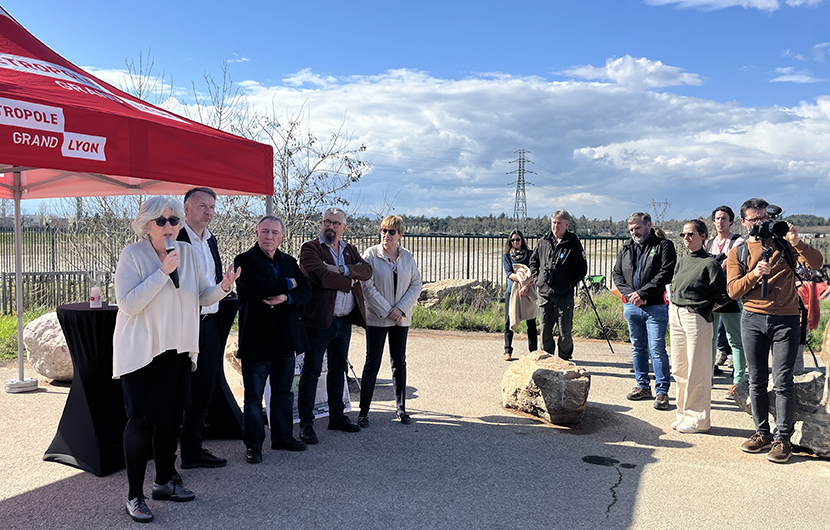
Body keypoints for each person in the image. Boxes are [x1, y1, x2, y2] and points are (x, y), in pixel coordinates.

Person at [113, 197, 238, 523]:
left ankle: (164, 482)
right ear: (147, 225)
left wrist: (223, 287)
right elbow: (128, 303)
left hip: (178, 350)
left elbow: (200, 296)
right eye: (162, 221)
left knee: (171, 421)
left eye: (174, 221)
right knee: (142, 423)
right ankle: (134, 496)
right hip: (142, 353)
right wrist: (161, 273)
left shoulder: (187, 255)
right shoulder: (133, 255)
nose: (170, 226)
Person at [727, 198, 823, 463]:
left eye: (764, 218)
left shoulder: (785, 245)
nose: (761, 223)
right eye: (755, 219)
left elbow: (817, 263)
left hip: (786, 320)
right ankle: (762, 433)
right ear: (744, 223)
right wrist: (756, 273)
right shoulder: (739, 252)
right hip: (752, 319)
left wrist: (796, 241)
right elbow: (733, 290)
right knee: (756, 379)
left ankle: (783, 439)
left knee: (783, 381)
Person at [234, 216, 311, 464]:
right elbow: (258, 286)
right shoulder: (244, 260)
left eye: (274, 232)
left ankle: (282, 437)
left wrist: (286, 298)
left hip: (285, 341)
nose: (269, 236)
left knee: (283, 393)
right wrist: (289, 283)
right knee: (254, 398)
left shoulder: (289, 261)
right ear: (257, 233)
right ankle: (254, 445)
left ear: (282, 236)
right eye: (264, 231)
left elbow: (306, 290)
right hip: (257, 341)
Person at [297, 207, 373, 444]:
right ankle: (306, 425)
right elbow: (319, 275)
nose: (330, 227)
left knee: (338, 369)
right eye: (326, 222)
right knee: (311, 370)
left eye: (335, 223)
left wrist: (341, 269)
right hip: (320, 322)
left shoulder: (350, 250)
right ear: (321, 224)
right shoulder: (310, 248)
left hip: (344, 320)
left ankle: (336, 416)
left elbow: (367, 270)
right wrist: (350, 280)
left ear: (344, 227)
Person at [176, 187, 235, 469]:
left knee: (204, 391)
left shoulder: (211, 241)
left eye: (212, 206)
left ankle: (191, 451)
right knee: (178, 390)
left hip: (209, 325)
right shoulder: (175, 238)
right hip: (181, 327)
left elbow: (210, 287)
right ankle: (163, 455)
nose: (208, 211)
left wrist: (225, 287)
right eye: (202, 206)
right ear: (186, 209)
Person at [357, 215, 423, 427]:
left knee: (399, 363)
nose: (386, 235)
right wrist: (388, 310)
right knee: (372, 363)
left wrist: (401, 309)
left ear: (400, 235)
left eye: (391, 232)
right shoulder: (371, 255)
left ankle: (401, 408)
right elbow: (367, 286)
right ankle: (364, 411)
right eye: (384, 231)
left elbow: (416, 284)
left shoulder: (407, 257)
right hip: (378, 318)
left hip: (400, 319)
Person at [669, 220, 730, 433]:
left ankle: (698, 419)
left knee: (697, 368)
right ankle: (682, 413)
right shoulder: (682, 261)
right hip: (676, 313)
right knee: (680, 368)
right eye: (683, 235)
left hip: (697, 317)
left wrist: (706, 308)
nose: (686, 238)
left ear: (703, 236)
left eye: (691, 234)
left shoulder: (710, 263)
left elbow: (724, 295)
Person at [612, 212, 677, 410]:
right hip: (632, 307)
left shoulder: (663, 246)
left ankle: (662, 391)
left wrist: (643, 293)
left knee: (657, 349)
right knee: (637, 347)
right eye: (631, 229)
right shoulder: (626, 248)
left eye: (637, 228)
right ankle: (642, 386)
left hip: (655, 307)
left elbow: (665, 273)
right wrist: (632, 295)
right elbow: (617, 274)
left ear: (648, 225)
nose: (634, 233)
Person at [529, 210, 587, 361]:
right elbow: (533, 262)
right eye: (554, 222)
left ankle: (564, 358)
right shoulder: (543, 241)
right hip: (544, 293)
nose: (555, 226)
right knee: (545, 329)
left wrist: (571, 283)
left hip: (564, 294)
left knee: (564, 330)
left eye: (559, 223)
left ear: (566, 225)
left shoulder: (573, 242)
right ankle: (547, 359)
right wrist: (537, 279)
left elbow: (582, 268)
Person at [705, 205, 746, 399]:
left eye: (724, 218)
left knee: (735, 340)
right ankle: (708, 376)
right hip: (711, 296)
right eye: (717, 218)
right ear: (713, 222)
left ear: (731, 221)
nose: (720, 222)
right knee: (710, 339)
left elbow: (731, 264)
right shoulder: (709, 242)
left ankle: (738, 381)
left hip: (730, 295)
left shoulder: (738, 241)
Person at [502, 229, 538, 361]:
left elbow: (534, 272)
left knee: (531, 322)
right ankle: (507, 350)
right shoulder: (507, 256)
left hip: (528, 291)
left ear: (522, 240)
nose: (515, 242)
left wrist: (526, 286)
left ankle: (533, 352)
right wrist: (521, 281)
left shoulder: (530, 254)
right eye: (513, 240)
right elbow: (509, 274)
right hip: (512, 291)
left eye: (518, 239)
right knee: (509, 320)